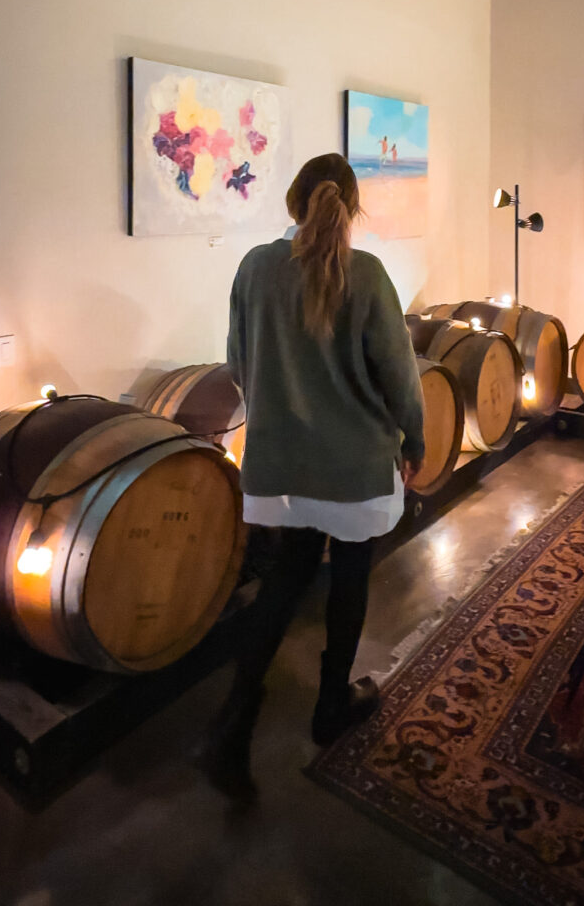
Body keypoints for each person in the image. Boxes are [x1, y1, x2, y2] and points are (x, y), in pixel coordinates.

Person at [197, 152, 425, 802]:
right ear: (350, 208)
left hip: (279, 469)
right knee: (349, 582)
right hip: (354, 471)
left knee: (282, 584)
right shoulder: (370, 275)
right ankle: (331, 708)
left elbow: (238, 364)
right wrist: (417, 436)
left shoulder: (255, 268)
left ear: (294, 202)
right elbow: (401, 380)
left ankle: (231, 728)